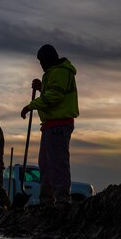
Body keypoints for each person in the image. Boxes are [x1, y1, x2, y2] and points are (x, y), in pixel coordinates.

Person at [20, 44, 79, 206]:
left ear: (48, 59)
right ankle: (46, 200)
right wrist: (42, 88)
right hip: (50, 125)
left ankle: (62, 199)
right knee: (45, 164)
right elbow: (51, 92)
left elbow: (54, 96)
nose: (41, 65)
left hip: (59, 125)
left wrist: (30, 106)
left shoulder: (60, 71)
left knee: (58, 163)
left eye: (42, 61)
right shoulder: (54, 73)